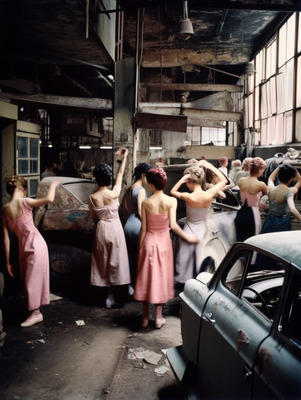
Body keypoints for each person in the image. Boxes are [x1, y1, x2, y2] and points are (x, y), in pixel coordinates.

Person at [134, 168, 198, 329]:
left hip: (148, 241)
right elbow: (174, 226)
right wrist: (188, 237)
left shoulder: (146, 203)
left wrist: (140, 249)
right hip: (163, 243)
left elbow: (143, 229)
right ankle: (158, 317)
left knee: (146, 278)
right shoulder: (171, 201)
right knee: (160, 278)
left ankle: (144, 317)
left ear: (150, 184)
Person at [1, 175, 61, 327]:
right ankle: (35, 312)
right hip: (31, 244)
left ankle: (35, 313)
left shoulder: (5, 210)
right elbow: (48, 199)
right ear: (24, 191)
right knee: (29, 279)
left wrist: (7, 262)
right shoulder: (25, 201)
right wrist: (53, 184)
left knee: (31, 280)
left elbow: (6, 240)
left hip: (33, 245)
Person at [170, 161, 227, 287]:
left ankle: (183, 282)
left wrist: (181, 180)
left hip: (189, 228)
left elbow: (173, 192)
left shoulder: (188, 196)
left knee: (185, 257)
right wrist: (210, 166)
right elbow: (223, 181)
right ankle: (198, 281)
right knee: (199, 256)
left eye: (187, 183)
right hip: (203, 229)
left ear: (189, 181)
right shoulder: (209, 194)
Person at [88, 148, 131, 308]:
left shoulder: (92, 198)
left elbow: (93, 217)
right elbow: (120, 174)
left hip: (101, 229)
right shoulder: (114, 193)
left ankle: (106, 296)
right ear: (108, 178)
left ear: (96, 179)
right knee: (117, 261)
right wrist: (124, 157)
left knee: (102, 262)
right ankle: (116, 294)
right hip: (115, 228)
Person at [122, 162, 153, 287]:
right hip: (137, 225)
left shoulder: (130, 188)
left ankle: (130, 287)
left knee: (130, 258)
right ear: (143, 175)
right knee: (142, 258)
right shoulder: (140, 190)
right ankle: (141, 287)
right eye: (149, 176)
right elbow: (141, 211)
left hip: (127, 225)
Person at [234, 157, 269, 241]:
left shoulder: (241, 181)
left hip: (240, 214)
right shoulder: (261, 184)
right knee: (253, 242)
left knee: (240, 241)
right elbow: (269, 195)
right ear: (260, 170)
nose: (263, 172)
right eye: (263, 170)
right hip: (253, 216)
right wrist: (262, 201)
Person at [261, 164, 301, 233]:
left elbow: (270, 178)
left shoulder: (271, 189)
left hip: (269, 221)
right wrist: (294, 170)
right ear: (291, 179)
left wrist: (279, 167)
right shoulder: (290, 191)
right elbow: (292, 209)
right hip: (282, 223)